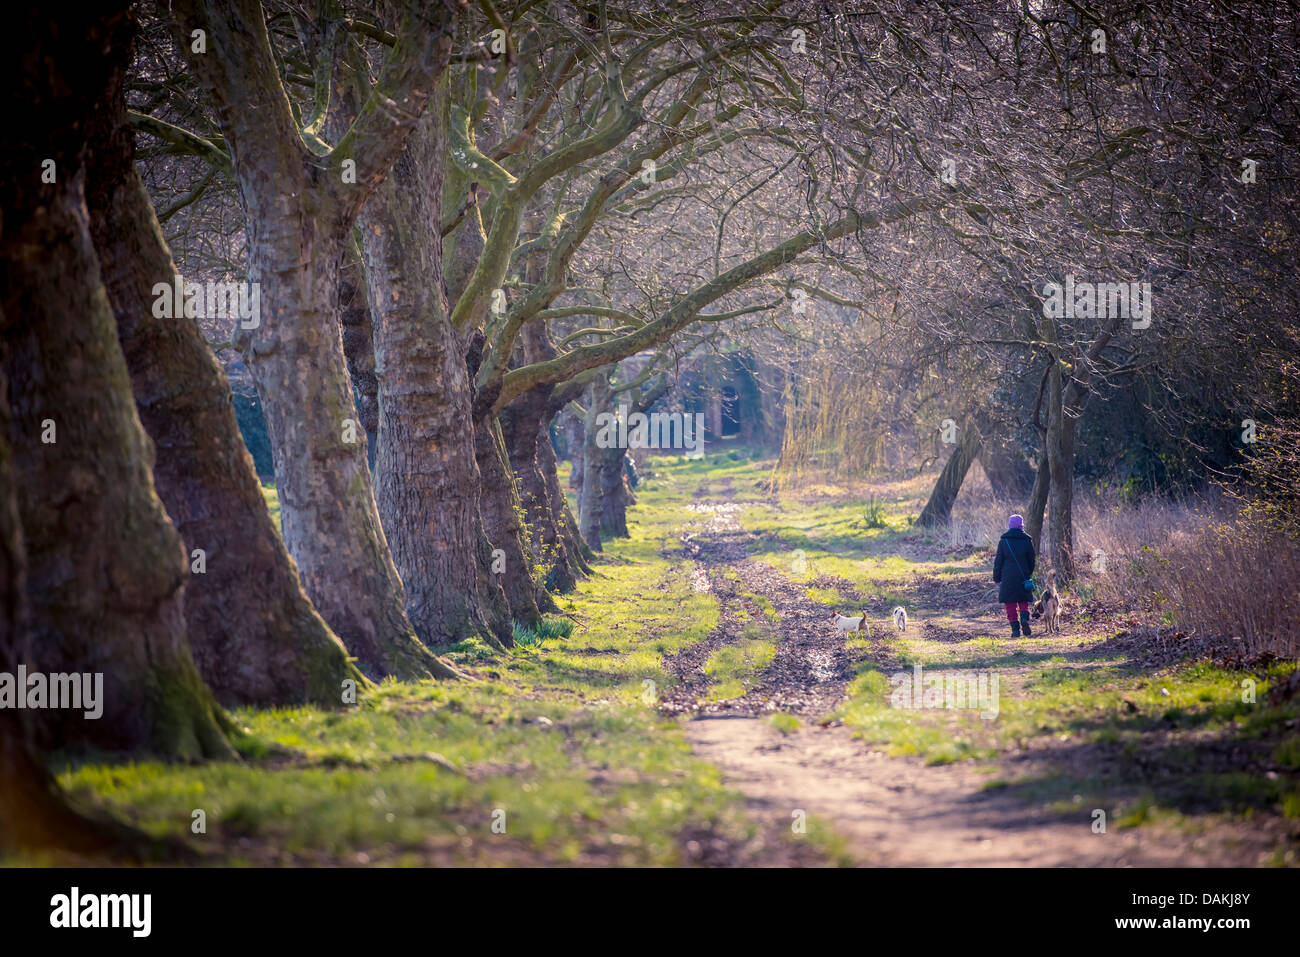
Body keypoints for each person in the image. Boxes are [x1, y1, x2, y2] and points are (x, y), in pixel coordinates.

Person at [992, 514, 1036, 637]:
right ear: (1021, 526)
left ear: (1010, 525)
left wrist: (996, 577)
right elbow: (1032, 561)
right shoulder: (1027, 541)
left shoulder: (1004, 541)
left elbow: (998, 562)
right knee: (1023, 602)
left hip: (1007, 577)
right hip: (1023, 576)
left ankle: (1015, 630)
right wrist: (1028, 573)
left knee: (1010, 604)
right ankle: (1025, 620)